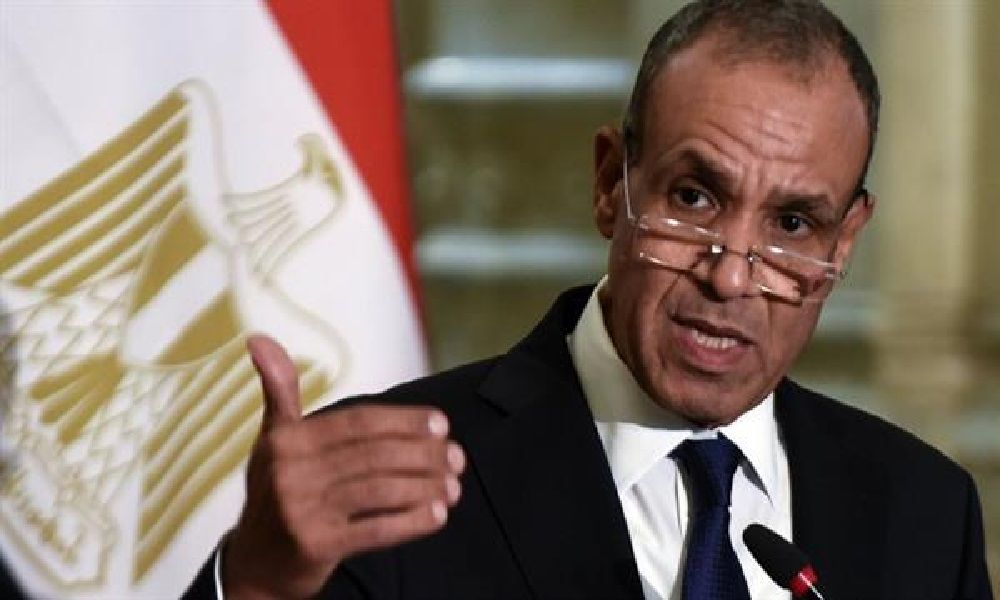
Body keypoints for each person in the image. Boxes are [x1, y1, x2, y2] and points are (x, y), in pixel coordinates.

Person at [184, 1, 993, 598]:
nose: (730, 277)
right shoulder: (387, 493)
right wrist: (253, 584)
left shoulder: (923, 511)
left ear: (843, 243)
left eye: (792, 224)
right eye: (695, 198)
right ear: (612, 183)